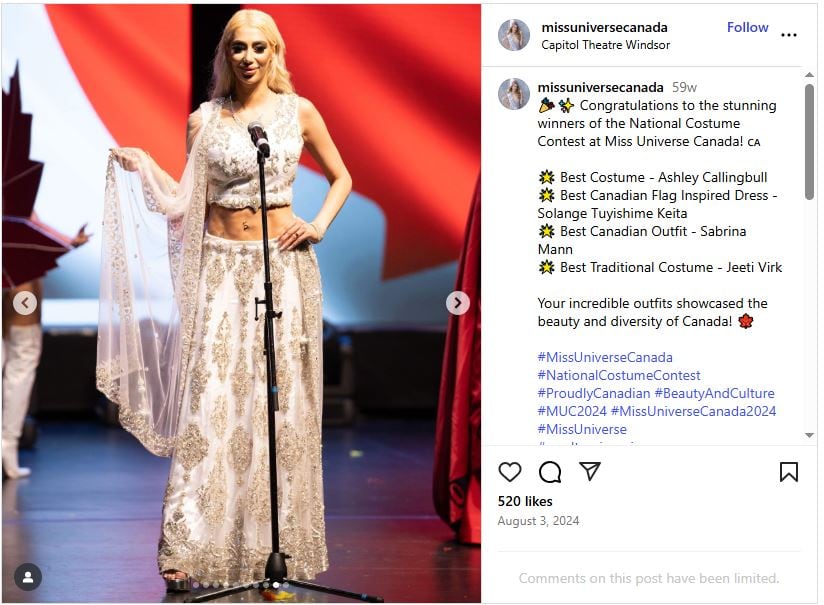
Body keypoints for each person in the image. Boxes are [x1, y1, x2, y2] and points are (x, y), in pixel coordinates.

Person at [102, 8, 351, 591]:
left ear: (275, 53)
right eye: (239, 47)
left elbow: (342, 177)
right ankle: (186, 545)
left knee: (277, 408)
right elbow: (187, 202)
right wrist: (144, 169)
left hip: (284, 270)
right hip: (220, 267)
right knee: (209, 403)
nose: (249, 58)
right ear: (225, 54)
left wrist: (318, 225)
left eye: (259, 48)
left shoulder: (299, 113)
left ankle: (273, 546)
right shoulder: (204, 121)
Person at [2, 219, 89, 479]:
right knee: (23, 356)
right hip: (21, 288)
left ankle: (7, 447)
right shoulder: (15, 189)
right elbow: (33, 228)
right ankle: (7, 446)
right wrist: (68, 243)